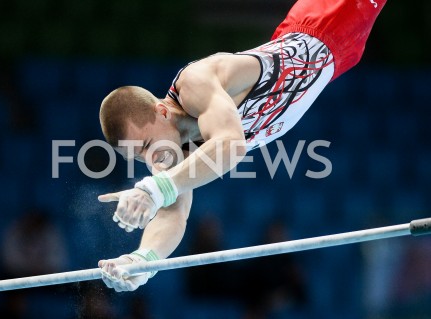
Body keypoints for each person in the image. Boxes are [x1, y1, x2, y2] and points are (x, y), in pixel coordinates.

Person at [98, 0, 387, 292]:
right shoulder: (173, 157)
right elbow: (172, 213)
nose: (151, 158)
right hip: (336, 56)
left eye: (147, 144)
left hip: (326, 20)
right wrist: (143, 262)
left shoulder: (194, 84)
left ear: (162, 111)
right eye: (139, 155)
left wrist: (156, 189)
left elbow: (231, 146)